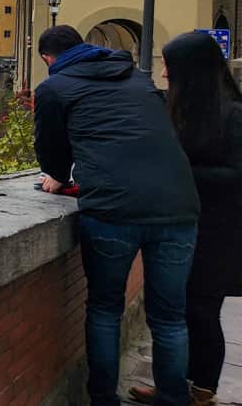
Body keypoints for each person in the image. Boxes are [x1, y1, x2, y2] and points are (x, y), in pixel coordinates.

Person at [33, 25, 199, 406]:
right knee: (171, 316)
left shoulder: (54, 88)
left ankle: (104, 399)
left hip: (112, 209)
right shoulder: (137, 78)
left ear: (48, 59)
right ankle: (174, 398)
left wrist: (57, 178)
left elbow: (51, 146)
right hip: (177, 204)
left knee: (105, 309)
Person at [131, 32, 242, 405]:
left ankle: (202, 389)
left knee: (201, 311)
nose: (164, 74)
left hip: (219, 232)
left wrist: (179, 169)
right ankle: (173, 385)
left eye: (170, 66)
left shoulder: (234, 114)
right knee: (172, 310)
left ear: (191, 71)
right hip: (179, 226)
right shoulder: (181, 108)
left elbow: (236, 175)